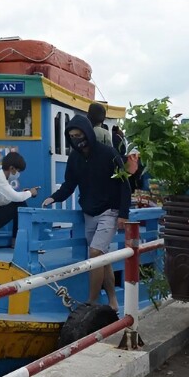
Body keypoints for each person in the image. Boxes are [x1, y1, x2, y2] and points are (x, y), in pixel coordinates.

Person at [43, 115, 131, 311]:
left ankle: (91, 301)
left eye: (79, 134)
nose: (76, 139)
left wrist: (123, 214)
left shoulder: (109, 153)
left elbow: (125, 185)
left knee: (95, 253)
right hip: (89, 212)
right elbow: (69, 184)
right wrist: (54, 197)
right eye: (72, 136)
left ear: (88, 133)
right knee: (103, 258)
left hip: (110, 210)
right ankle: (113, 302)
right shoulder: (74, 158)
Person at [0, 151, 39, 241]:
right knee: (19, 204)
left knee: (18, 202)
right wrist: (30, 193)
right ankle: (18, 240)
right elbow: (15, 197)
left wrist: (23, 193)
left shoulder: (0, 177)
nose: (18, 174)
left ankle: (17, 239)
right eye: (18, 171)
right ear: (12, 168)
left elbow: (2, 200)